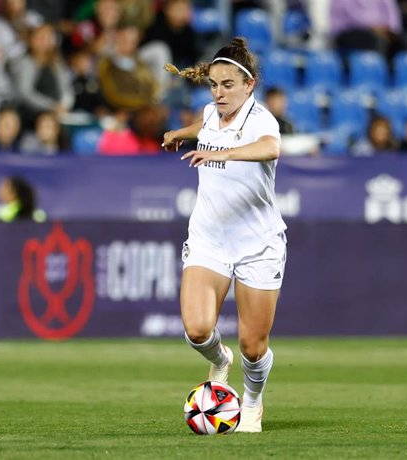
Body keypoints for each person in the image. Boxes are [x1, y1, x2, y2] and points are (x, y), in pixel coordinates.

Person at [162, 37, 286, 433]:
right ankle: (220, 360)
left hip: (258, 243)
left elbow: (270, 148)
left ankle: (251, 402)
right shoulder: (211, 114)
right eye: (214, 84)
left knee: (254, 345)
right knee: (197, 330)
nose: (219, 92)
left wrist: (221, 154)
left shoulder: (261, 119)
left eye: (228, 85)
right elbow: (207, 126)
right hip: (209, 238)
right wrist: (182, 132)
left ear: (249, 86)